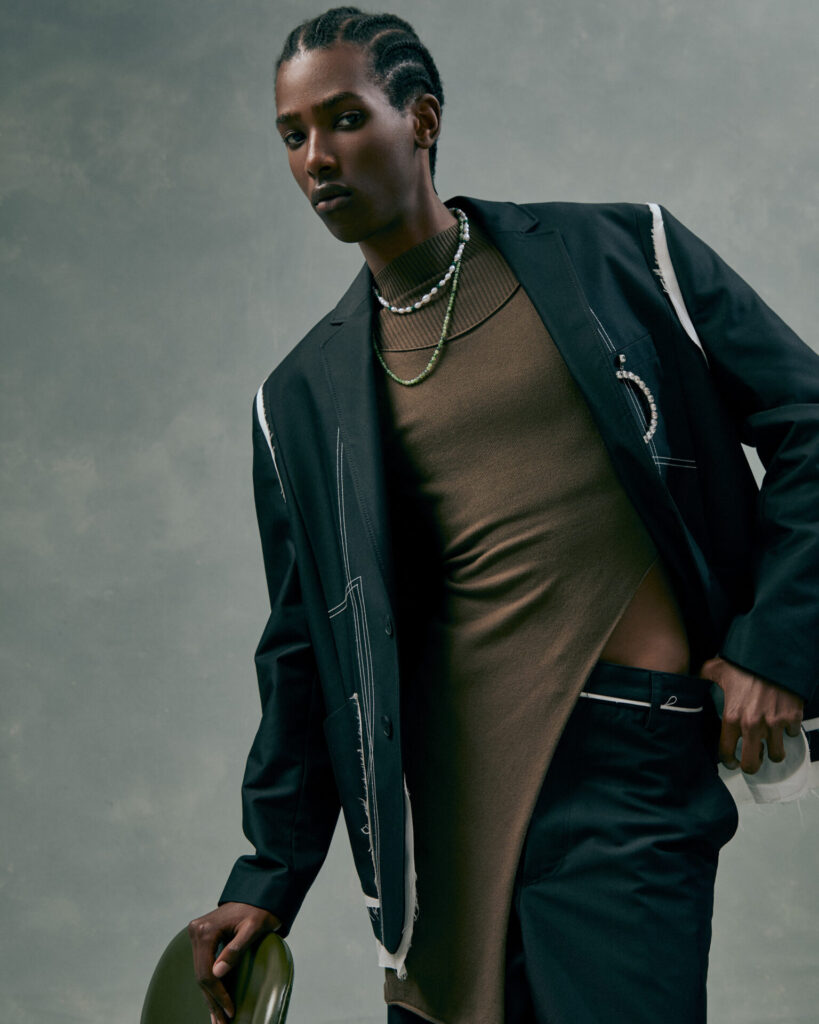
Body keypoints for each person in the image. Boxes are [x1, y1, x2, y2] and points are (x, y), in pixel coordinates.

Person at [188, 8, 818, 1024]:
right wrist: (266, 874)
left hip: (622, 764)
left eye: (345, 118)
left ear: (422, 119)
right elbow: (306, 652)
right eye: (292, 134)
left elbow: (809, 426)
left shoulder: (623, 253)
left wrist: (774, 647)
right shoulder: (298, 401)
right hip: (437, 813)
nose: (316, 158)